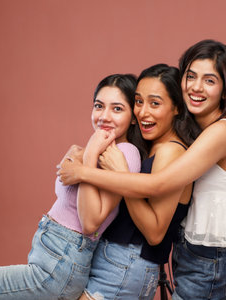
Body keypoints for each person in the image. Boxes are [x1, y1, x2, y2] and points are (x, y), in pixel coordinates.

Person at [58, 40, 226, 300]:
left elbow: (158, 186)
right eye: (190, 76)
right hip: (189, 257)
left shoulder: (222, 132)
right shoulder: (192, 133)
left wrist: (85, 172)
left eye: (209, 80)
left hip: (211, 264)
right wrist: (85, 152)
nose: (197, 87)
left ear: (225, 89)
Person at [0, 74, 144, 300]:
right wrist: (82, 154)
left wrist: (87, 157)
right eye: (99, 106)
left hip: (58, 266)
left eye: (117, 109)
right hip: (53, 261)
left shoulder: (124, 153)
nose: (104, 116)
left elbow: (90, 222)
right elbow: (65, 183)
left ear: (133, 118)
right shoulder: (100, 148)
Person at [72, 64, 200, 300]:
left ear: (177, 108)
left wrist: (122, 174)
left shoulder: (171, 152)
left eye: (155, 103)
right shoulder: (152, 147)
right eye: (139, 102)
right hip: (116, 259)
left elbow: (155, 233)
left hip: (128, 263)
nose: (142, 112)